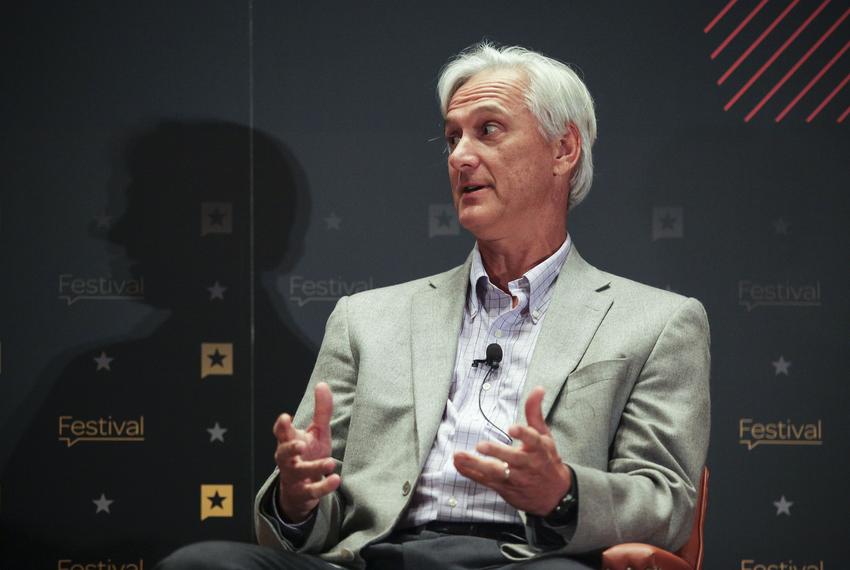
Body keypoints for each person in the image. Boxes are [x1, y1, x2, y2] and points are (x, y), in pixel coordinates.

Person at [157, 41, 710, 570]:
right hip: (376, 556)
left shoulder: (656, 323)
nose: (461, 156)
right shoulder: (367, 320)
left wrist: (562, 493)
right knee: (200, 563)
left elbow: (666, 502)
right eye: (452, 138)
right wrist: (296, 499)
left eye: (488, 130)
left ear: (563, 149)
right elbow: (316, 516)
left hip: (531, 559)